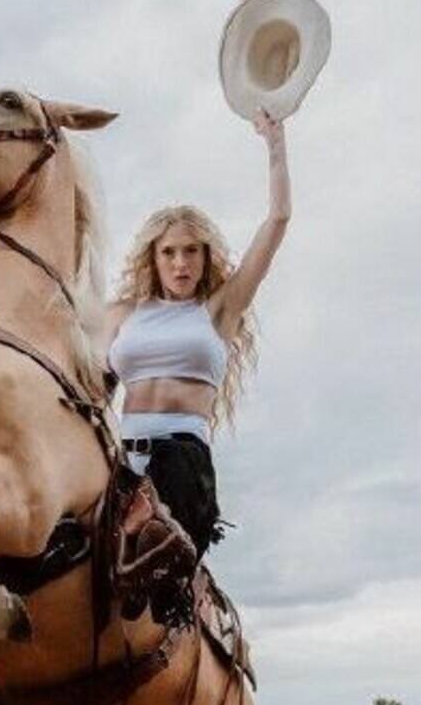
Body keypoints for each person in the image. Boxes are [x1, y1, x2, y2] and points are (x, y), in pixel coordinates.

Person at [102, 107, 290, 559]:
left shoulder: (218, 310)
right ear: (154, 257)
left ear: (205, 257)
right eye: (169, 252)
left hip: (181, 461)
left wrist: (275, 142)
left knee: (154, 558)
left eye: (191, 251)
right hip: (119, 457)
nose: (181, 263)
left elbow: (278, 220)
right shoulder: (121, 313)